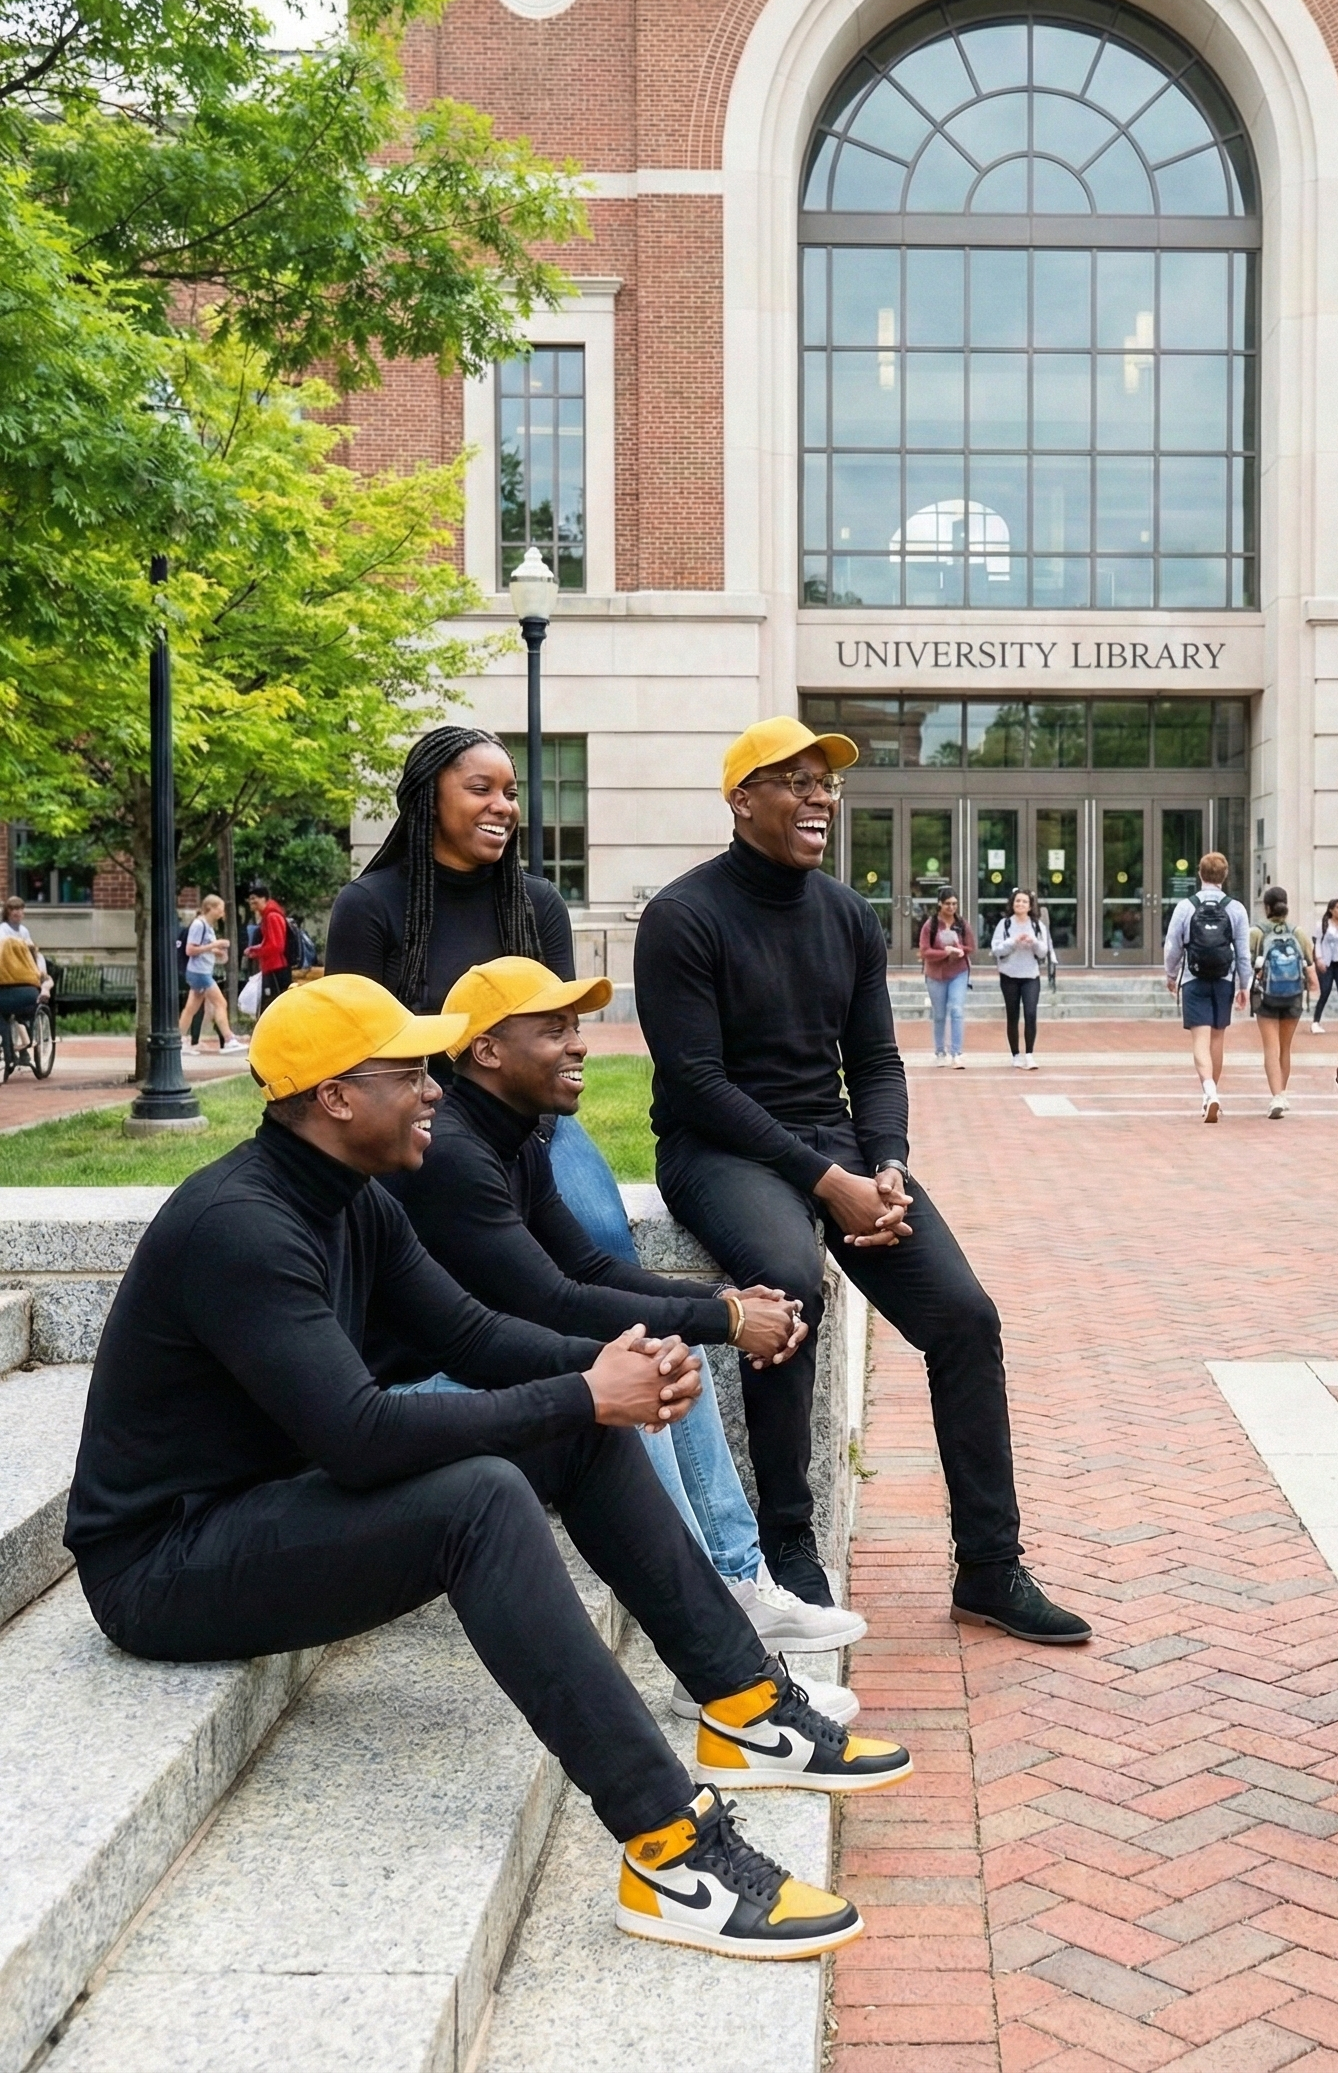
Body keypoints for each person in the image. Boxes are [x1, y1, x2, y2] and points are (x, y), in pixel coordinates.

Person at [61, 974, 913, 1961]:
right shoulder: (242, 1228)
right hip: (160, 1566)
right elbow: (361, 1438)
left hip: (262, 1505)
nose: (433, 1090)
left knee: (571, 1431)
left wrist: (610, 1374)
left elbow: (474, 1336)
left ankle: (749, 1709)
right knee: (483, 1498)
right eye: (409, 1072)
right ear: (335, 1096)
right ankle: (674, 1850)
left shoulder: (357, 1202)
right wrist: (589, 1389)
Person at [636, 717, 1090, 1644]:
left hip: (835, 1143)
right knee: (790, 1287)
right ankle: (790, 1552)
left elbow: (877, 1063)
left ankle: (991, 1569)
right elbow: (699, 1083)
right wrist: (824, 1180)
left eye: (826, 784)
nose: (818, 797)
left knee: (967, 1318)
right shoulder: (683, 917)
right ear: (741, 800)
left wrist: (886, 1168)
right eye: (793, 781)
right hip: (716, 1149)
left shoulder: (843, 914)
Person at [327, 725, 775, 1600]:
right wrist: (718, 1313)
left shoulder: (532, 904)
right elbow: (354, 1050)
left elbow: (553, 1045)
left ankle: (736, 1576)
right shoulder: (371, 907)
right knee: (586, 1309)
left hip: (518, 1120)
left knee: (602, 1240)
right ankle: (695, 1579)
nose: (503, 806)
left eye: (510, 792)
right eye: (480, 789)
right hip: (423, 1129)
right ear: (429, 800)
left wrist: (705, 1308)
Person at [391, 955, 869, 1670]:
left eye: (576, 1027)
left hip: (484, 1366)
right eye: (554, 1030)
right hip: (413, 1396)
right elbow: (553, 1301)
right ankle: (701, 1618)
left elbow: (587, 1266)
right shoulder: (457, 1155)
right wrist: (731, 1323)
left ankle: (736, 1583)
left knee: (664, 1337)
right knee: (632, 1368)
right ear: (486, 1052)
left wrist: (719, 1302)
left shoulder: (516, 1138)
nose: (579, 1044)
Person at [1163, 851, 1250, 1122]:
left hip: (1194, 978)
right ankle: (1212, 1093)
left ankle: (1209, 1091)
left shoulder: (1186, 906)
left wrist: (1171, 973)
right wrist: (1244, 984)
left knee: (1199, 1039)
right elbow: (1243, 951)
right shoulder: (1235, 908)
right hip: (1223, 979)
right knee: (1217, 1038)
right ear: (1224, 876)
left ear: (1200, 874)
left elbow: (1173, 945)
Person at [1249, 888, 1317, 1118]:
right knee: (1285, 1047)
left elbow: (1247, 961)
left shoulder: (1257, 932)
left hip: (1266, 995)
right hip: (1293, 994)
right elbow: (1310, 961)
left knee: (1271, 1047)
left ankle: (1276, 1095)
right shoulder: (1297, 932)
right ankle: (1283, 1093)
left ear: (1266, 907)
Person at [178, 894, 248, 1055]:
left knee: (191, 1008)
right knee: (220, 1003)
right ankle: (229, 1040)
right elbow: (190, 949)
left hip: (201, 971)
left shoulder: (208, 926)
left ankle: (179, 1040)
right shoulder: (199, 925)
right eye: (220, 909)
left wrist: (217, 952)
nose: (222, 913)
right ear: (210, 908)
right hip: (199, 972)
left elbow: (203, 948)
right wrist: (214, 945)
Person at [991, 889, 1051, 1069]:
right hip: (1009, 975)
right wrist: (1013, 942)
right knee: (1013, 1014)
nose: (1020, 905)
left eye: (1024, 902)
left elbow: (1043, 951)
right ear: (1012, 903)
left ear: (1030, 905)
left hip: (1031, 975)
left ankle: (1030, 1054)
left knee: (1031, 1013)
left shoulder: (1037, 925)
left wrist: (1033, 942)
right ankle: (1015, 1054)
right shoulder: (1005, 924)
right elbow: (996, 949)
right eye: (1017, 901)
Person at [919, 890, 973, 1067]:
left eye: (954, 904)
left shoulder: (962, 924)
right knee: (940, 1014)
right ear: (940, 904)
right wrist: (944, 952)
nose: (951, 907)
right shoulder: (930, 925)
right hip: (936, 974)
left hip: (959, 971)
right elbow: (925, 951)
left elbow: (971, 946)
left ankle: (956, 1053)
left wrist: (960, 949)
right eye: (948, 903)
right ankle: (940, 1051)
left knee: (957, 1009)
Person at [0, 894, 51, 1077]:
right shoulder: (4, 931)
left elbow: (31, 953)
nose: (18, 913)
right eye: (14, 909)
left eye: (20, 909)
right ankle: (12, 1052)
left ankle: (16, 1052)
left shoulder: (24, 931)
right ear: (8, 912)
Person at [1311, 899, 1338, 1036]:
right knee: (1325, 991)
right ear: (1331, 910)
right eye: (1337, 907)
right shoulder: (1322, 925)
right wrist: (1319, 959)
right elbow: (1317, 943)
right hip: (1327, 962)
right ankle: (1316, 1021)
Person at [247, 880, 292, 1011]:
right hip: (273, 967)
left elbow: (277, 946)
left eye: (254, 898)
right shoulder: (269, 915)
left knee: (272, 1004)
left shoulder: (272, 916)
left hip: (276, 967)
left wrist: (257, 952)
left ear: (263, 899)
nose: (251, 902)